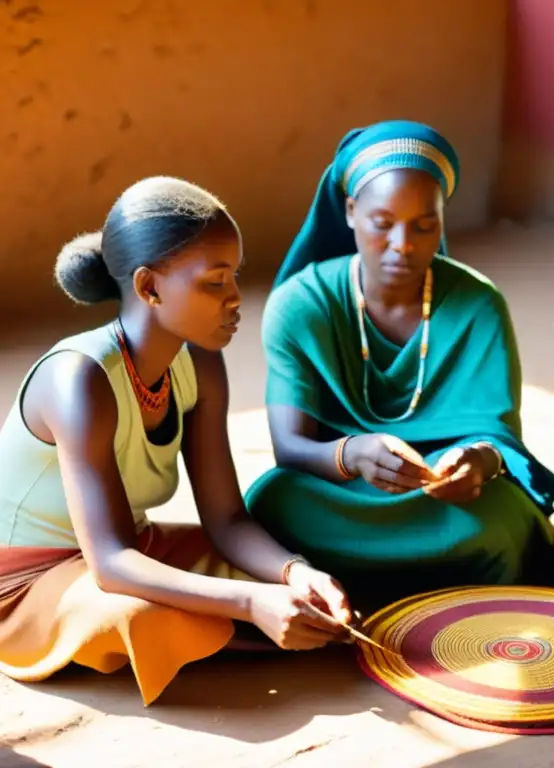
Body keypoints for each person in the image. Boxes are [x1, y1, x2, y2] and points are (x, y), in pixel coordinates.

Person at [0, 178, 353, 706]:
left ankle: (267, 624)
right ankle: (254, 632)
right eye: (215, 283)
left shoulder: (200, 364)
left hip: (132, 544)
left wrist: (294, 573)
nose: (235, 299)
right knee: (141, 617)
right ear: (148, 287)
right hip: (34, 576)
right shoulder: (79, 379)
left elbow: (227, 519)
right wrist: (253, 601)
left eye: (234, 276)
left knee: (288, 550)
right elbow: (112, 563)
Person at [245, 120, 554, 614]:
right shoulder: (301, 305)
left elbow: (497, 439)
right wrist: (352, 454)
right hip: (340, 491)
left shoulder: (479, 305)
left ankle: (443, 615)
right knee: (272, 501)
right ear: (350, 212)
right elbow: (290, 448)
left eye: (424, 225)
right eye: (382, 222)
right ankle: (429, 603)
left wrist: (476, 463)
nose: (403, 244)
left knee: (502, 521)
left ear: (442, 221)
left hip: (445, 503)